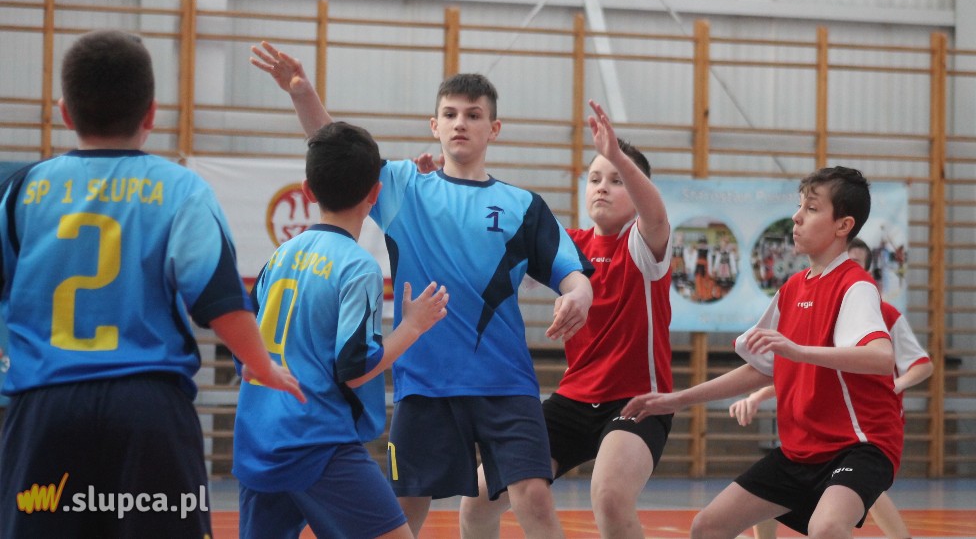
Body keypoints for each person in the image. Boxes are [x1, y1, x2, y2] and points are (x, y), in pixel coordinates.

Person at [251, 41, 594, 537]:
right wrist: (302, 93)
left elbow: (568, 267)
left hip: (505, 383)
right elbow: (335, 150)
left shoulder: (522, 205)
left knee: (534, 497)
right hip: (424, 384)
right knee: (403, 509)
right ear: (434, 125)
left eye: (474, 115)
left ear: (493, 129)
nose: (461, 123)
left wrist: (579, 291)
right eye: (450, 113)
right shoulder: (403, 188)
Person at [0, 30, 304, 538]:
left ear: (65, 112)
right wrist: (261, 365)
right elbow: (219, 300)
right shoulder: (181, 191)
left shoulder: (23, 190)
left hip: (44, 412)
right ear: (151, 114)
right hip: (148, 413)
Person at [623, 166, 903, 539]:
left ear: (843, 225)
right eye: (799, 206)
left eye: (812, 209)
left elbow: (881, 356)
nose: (796, 217)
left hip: (860, 446)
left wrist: (799, 351)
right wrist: (676, 399)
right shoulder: (792, 290)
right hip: (800, 450)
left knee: (828, 526)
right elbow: (761, 369)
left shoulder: (856, 286)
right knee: (708, 527)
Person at [458, 100, 673, 539]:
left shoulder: (644, 244)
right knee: (479, 497)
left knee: (610, 497)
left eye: (616, 180)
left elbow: (656, 213)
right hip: (574, 399)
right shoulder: (566, 246)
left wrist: (618, 156)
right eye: (595, 178)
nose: (602, 187)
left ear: (637, 188)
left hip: (636, 402)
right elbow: (490, 234)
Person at [233, 121, 450, 539]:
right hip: (317, 441)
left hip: (259, 436)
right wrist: (413, 326)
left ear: (307, 190)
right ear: (375, 194)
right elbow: (355, 367)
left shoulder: (280, 257)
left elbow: (243, 337)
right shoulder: (357, 267)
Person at [730, 236, 933, 539]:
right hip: (817, 420)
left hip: (866, 426)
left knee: (859, 492)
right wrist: (759, 394)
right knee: (774, 483)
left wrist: (897, 383)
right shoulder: (813, 305)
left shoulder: (884, 314)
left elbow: (922, 364)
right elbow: (798, 368)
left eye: (858, 262)